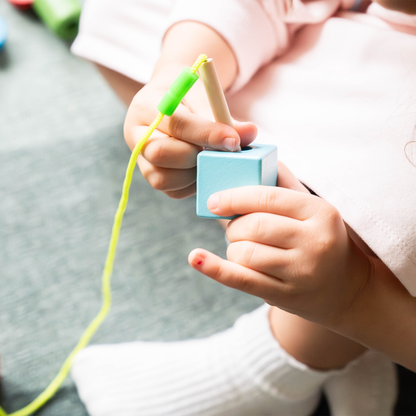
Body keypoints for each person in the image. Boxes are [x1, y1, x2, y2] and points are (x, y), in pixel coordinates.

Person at [70, 0, 416, 415]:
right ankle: (341, 329)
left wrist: (354, 300)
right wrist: (176, 89)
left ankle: (298, 353)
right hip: (342, 51)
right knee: (116, 12)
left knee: (376, 212)